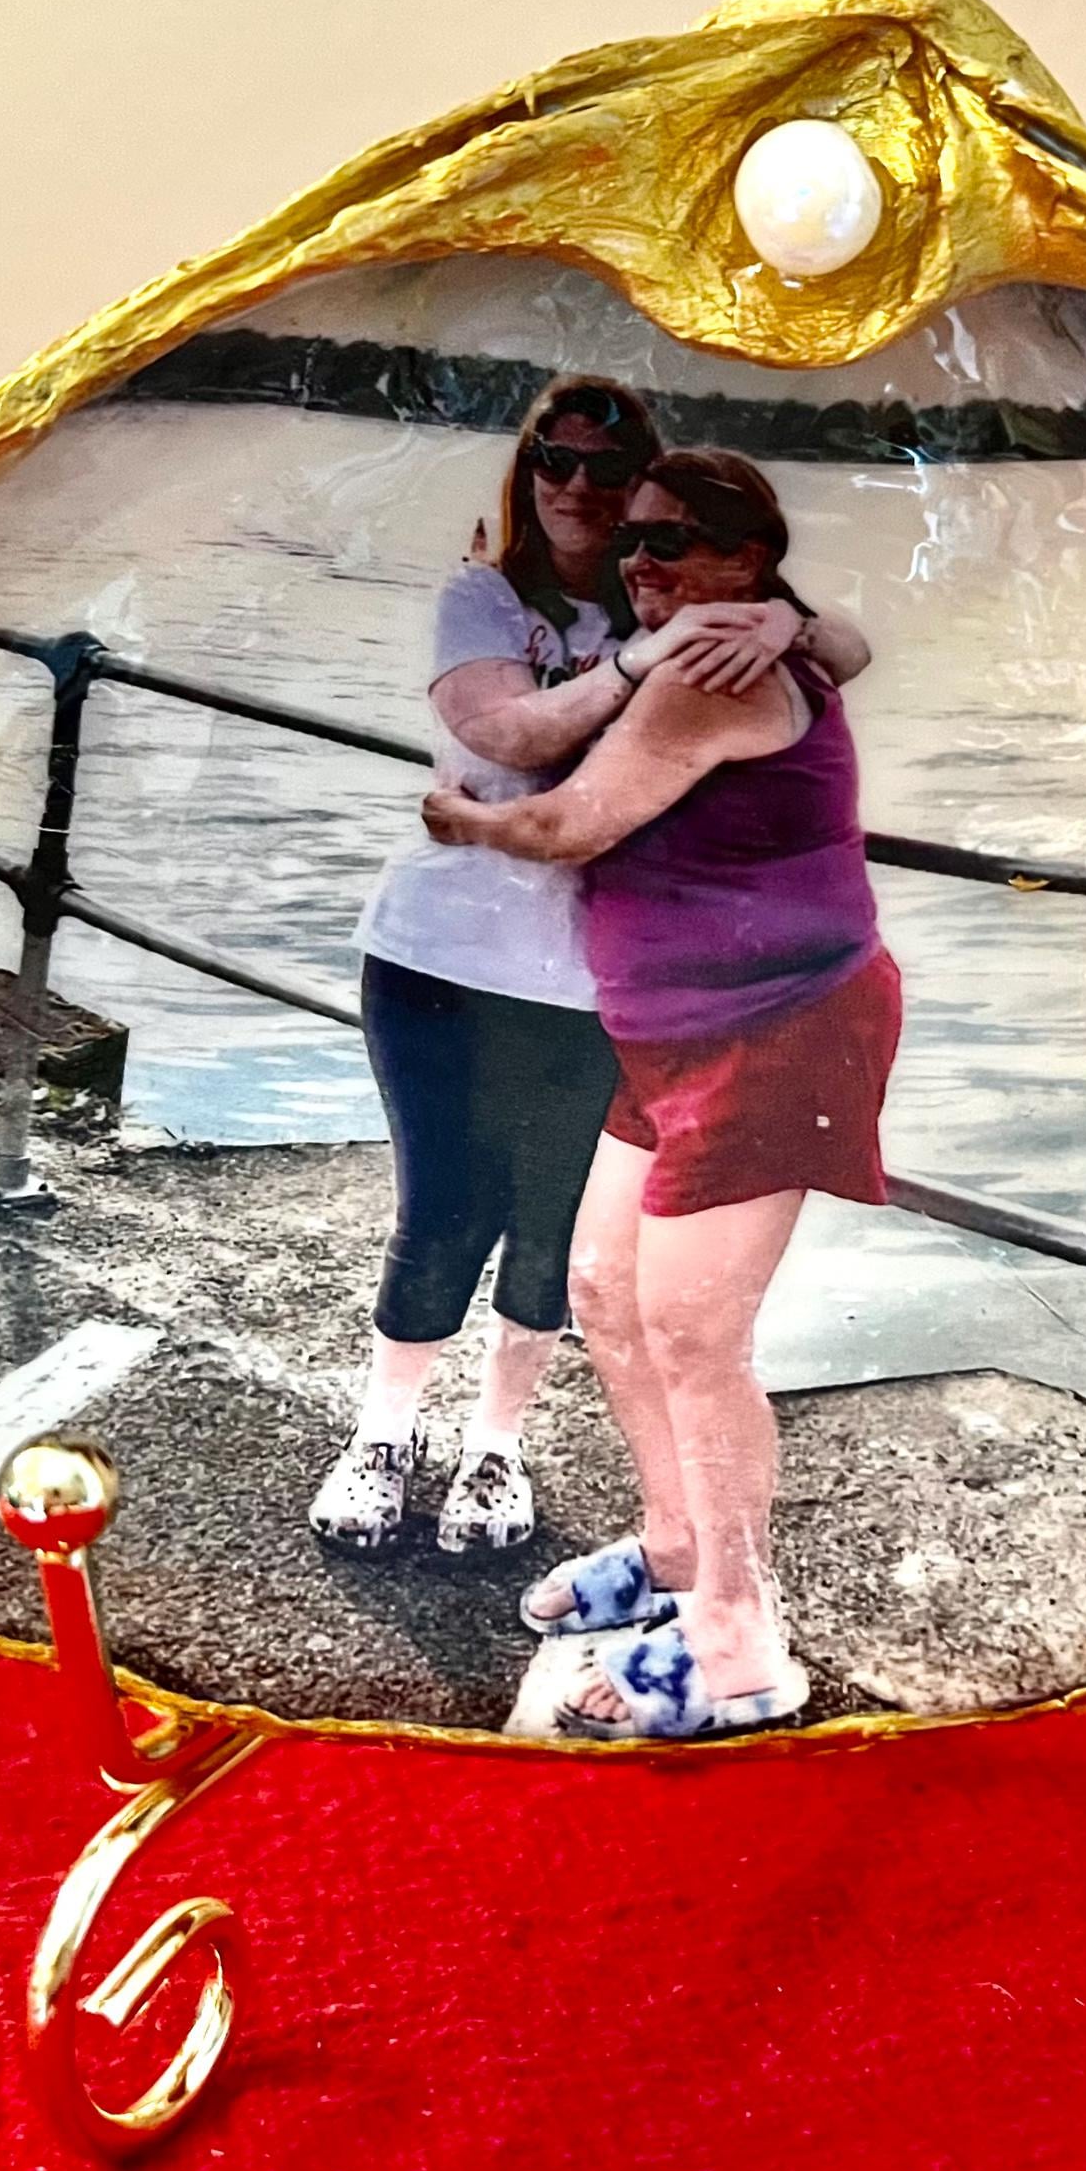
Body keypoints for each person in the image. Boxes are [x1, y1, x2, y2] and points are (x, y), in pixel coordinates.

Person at [315, 389, 871, 1556]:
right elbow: (504, 736)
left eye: (610, 472)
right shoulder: (489, 598)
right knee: (440, 1211)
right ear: (527, 471)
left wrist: (784, 620)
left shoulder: (674, 601)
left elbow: (848, 646)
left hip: (590, 984)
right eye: (553, 460)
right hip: (442, 959)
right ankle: (383, 1434)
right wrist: (642, 656)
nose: (579, 488)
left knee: (554, 1232)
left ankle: (496, 1446)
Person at [419, 449, 898, 1737]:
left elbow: (566, 825)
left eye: (676, 542)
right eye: (633, 540)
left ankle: (737, 1643)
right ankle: (677, 1547)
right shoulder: (722, 642)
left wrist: (462, 820)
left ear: (750, 558)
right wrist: (799, 622)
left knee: (692, 1332)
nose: (642, 560)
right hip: (671, 1030)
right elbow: (845, 643)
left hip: (779, 1028)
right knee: (602, 1290)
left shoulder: (708, 673)